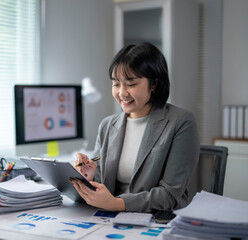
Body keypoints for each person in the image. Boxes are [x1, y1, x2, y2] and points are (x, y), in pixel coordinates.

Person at [70, 42, 200, 213]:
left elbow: (170, 194)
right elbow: (103, 186)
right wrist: (89, 176)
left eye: (131, 84)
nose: (122, 93)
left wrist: (117, 204)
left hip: (157, 220)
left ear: (154, 84)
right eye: (116, 84)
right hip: (110, 218)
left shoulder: (181, 122)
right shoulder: (108, 125)